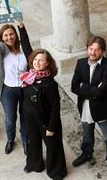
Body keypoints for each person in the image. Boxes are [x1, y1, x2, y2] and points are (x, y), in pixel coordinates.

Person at [0, 20, 31, 154]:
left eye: (11, 34)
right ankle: (10, 139)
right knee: (10, 118)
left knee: (26, 117)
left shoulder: (23, 49)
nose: (9, 37)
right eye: (6, 35)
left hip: (25, 89)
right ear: (2, 38)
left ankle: (26, 141)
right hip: (8, 90)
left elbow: (27, 45)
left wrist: (21, 26)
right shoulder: (2, 50)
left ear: (15, 35)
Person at [71, 36, 107, 176]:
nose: (92, 52)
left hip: (102, 108)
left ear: (102, 51)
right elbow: (74, 87)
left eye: (96, 50)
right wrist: (93, 90)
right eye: (90, 49)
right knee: (87, 134)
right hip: (86, 106)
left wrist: (84, 87)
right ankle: (86, 154)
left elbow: (102, 90)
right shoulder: (80, 63)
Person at [20, 49, 67, 180]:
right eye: (35, 59)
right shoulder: (29, 77)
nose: (37, 62)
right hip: (31, 119)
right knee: (33, 142)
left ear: (47, 63)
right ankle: (35, 164)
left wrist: (51, 127)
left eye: (41, 60)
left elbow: (55, 107)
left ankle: (56, 171)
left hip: (46, 121)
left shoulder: (50, 84)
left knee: (53, 146)